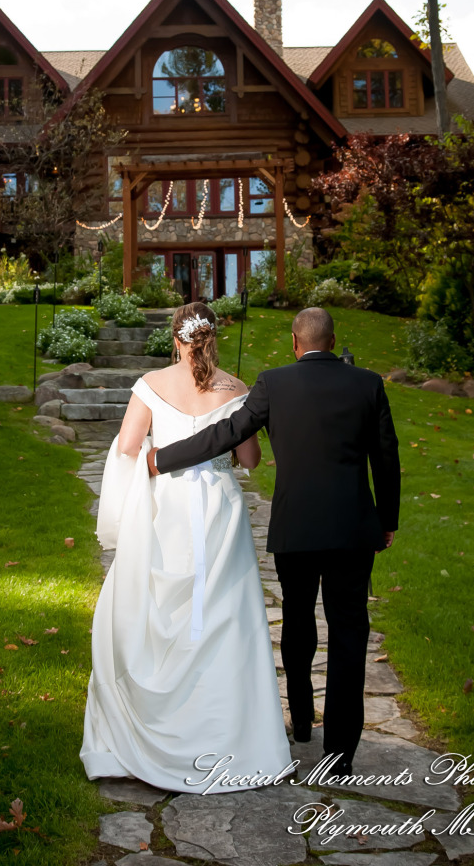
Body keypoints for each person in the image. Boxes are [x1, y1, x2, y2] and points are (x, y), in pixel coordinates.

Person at [148, 307, 401, 775]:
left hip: (296, 528)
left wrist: (163, 458)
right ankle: (340, 753)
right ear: (332, 339)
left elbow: (228, 433)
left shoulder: (275, 383)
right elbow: (386, 457)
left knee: (299, 621)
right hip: (352, 529)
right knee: (349, 632)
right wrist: (387, 520)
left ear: (295, 341)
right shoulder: (367, 384)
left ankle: (301, 720)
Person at [79, 302, 292, 790]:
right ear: (213, 337)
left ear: (176, 338)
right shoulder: (237, 389)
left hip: (167, 508)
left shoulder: (150, 385)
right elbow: (252, 459)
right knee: (224, 613)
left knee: (160, 609)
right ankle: (233, 736)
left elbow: (129, 448)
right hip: (220, 506)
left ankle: (146, 730)